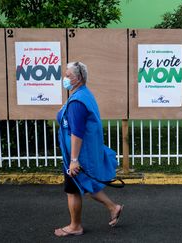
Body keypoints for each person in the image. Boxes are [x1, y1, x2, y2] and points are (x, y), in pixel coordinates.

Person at [54, 62, 123, 237]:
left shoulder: (78, 102)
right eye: (66, 75)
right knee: (88, 185)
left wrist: (74, 160)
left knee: (73, 190)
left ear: (79, 78)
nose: (65, 79)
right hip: (81, 153)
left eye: (69, 76)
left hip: (78, 155)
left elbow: (77, 132)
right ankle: (114, 207)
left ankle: (75, 226)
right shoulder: (83, 95)